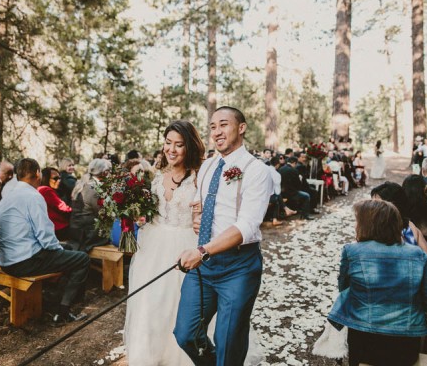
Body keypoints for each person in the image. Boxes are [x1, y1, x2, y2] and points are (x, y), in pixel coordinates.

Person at [175, 107, 273, 365]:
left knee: (228, 341)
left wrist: (202, 251)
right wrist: (198, 216)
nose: (217, 132)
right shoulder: (207, 166)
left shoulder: (257, 171)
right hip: (204, 268)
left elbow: (247, 226)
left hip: (239, 267)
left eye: (223, 125)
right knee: (185, 334)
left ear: (241, 127)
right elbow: (200, 203)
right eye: (212, 127)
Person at [125, 120, 205, 365]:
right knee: (152, 302)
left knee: (180, 303)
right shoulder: (158, 178)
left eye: (179, 145)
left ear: (189, 147)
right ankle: (151, 354)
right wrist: (140, 218)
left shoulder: (199, 179)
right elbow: (153, 214)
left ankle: (179, 357)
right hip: (153, 246)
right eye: (168, 143)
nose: (171, 149)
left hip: (185, 244)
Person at [328, 199, 427, 366]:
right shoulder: (417, 255)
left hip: (364, 337)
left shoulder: (352, 252)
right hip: (405, 341)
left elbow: (344, 288)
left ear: (366, 225)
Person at [0, 158, 90, 323]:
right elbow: (45, 235)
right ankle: (63, 311)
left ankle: (55, 298)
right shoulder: (32, 195)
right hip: (23, 261)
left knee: (69, 250)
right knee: (82, 259)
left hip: (4, 260)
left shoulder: (9, 195)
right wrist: (60, 251)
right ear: (37, 173)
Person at [371, 182, 427, 261]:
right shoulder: (371, 227)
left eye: (378, 204)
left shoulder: (409, 228)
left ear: (395, 205)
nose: (372, 207)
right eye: (372, 203)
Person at [67, 159, 112, 252]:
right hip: (87, 234)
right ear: (104, 172)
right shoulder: (93, 188)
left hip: (76, 230)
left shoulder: (83, 184)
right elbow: (101, 213)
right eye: (108, 171)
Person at [38, 167, 72, 240]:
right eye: (55, 178)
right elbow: (62, 207)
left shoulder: (40, 189)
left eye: (59, 178)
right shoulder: (46, 190)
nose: (59, 181)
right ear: (46, 179)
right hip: (58, 228)